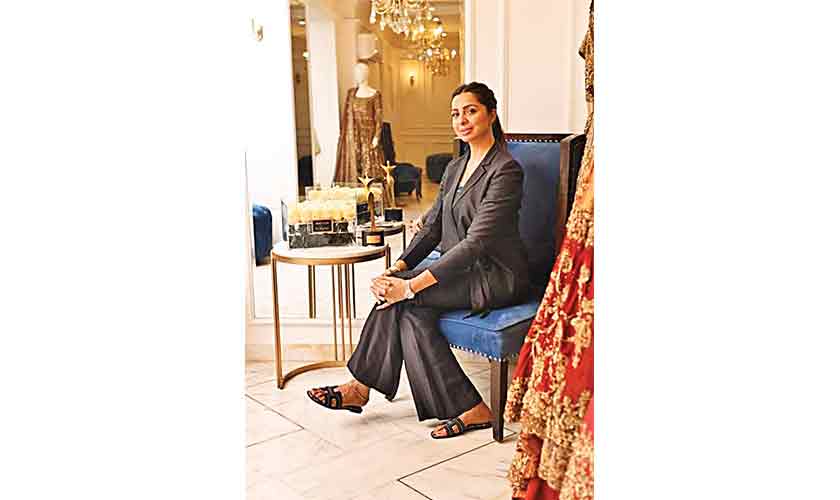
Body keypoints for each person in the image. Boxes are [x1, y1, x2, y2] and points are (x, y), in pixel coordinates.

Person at [307, 82, 531, 439]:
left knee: (403, 298)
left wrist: (410, 286)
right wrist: (398, 268)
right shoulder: (455, 167)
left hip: (495, 275)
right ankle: (470, 408)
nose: (462, 119)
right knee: (409, 312)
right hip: (461, 271)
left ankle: (360, 387)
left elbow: (476, 243)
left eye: (471, 111)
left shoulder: (506, 170)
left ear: (491, 114)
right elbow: (432, 228)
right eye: (455, 113)